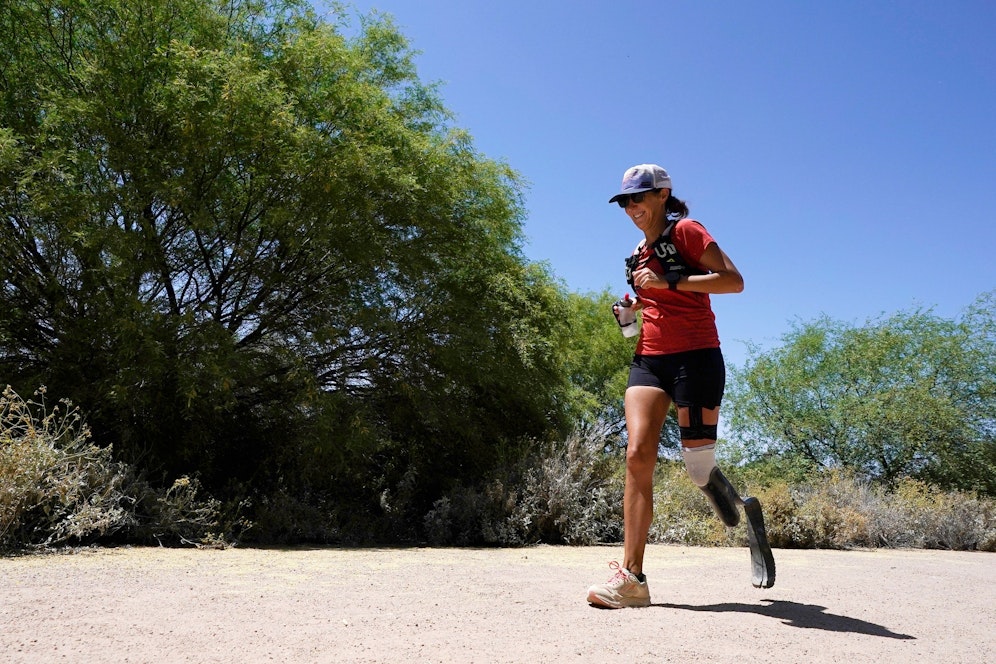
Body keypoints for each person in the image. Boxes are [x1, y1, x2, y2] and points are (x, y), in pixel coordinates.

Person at [586, 164, 775, 609]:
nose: (632, 208)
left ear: (662, 195)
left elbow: (734, 281)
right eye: (625, 201)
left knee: (697, 468)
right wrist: (628, 321)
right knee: (637, 454)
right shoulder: (635, 255)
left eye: (640, 198)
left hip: (697, 359)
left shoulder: (686, 232)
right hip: (650, 360)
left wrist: (671, 280)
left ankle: (743, 508)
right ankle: (632, 579)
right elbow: (637, 328)